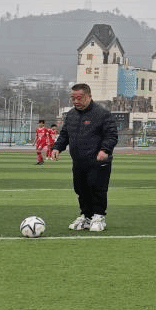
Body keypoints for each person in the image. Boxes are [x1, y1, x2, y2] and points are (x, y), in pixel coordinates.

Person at [49, 83, 118, 232]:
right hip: (79, 161)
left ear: (89, 96)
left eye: (79, 98)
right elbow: (65, 134)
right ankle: (86, 216)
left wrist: (105, 150)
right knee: (81, 189)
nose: (76, 101)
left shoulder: (102, 114)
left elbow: (111, 135)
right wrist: (57, 148)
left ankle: (98, 216)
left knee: (97, 188)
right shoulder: (71, 115)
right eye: (73, 98)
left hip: (98, 160)